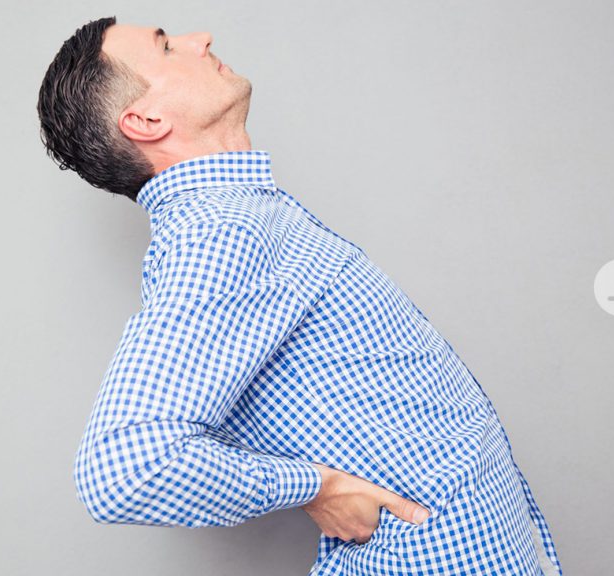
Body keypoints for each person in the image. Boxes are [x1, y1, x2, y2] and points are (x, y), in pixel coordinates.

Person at [37, 15, 563, 576]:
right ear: (146, 120)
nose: (200, 39)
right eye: (166, 47)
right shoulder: (219, 232)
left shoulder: (241, 216)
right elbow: (124, 472)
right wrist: (316, 486)